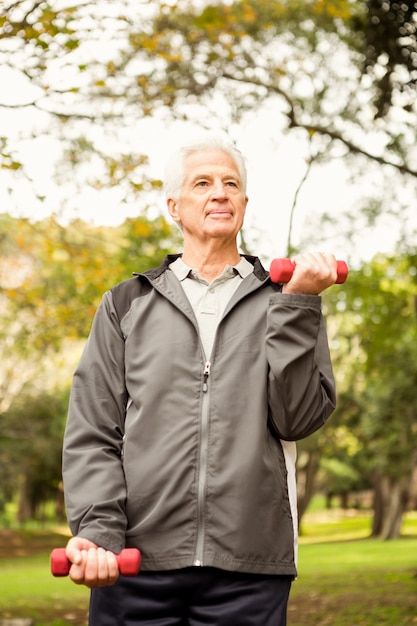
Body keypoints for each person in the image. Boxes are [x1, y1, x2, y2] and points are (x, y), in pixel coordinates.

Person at [62, 133, 338, 625]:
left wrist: (300, 305)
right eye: (203, 183)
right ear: (175, 206)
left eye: (231, 184)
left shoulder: (286, 298)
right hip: (137, 562)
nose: (219, 193)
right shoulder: (126, 303)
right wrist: (100, 530)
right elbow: (93, 430)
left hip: (249, 567)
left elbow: (297, 419)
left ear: (244, 204)